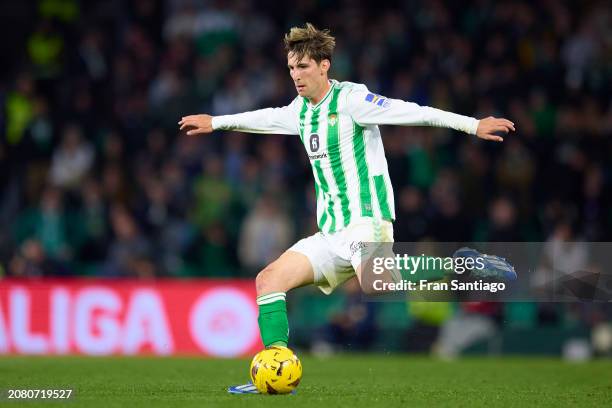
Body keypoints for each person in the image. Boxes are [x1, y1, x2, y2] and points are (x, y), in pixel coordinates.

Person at [179, 23, 516, 394]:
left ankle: (461, 262)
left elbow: (413, 112)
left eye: (303, 67)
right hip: (331, 233)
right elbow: (265, 118)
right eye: (291, 68)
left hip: (366, 221)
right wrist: (217, 122)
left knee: (377, 283)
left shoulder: (353, 100)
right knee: (268, 280)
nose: (296, 76)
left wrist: (472, 124)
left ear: (324, 66)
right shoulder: (300, 111)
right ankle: (275, 365)